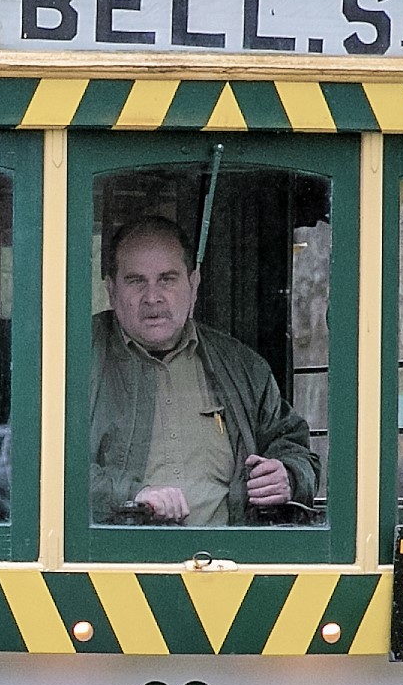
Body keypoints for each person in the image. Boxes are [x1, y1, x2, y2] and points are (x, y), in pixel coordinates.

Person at [91, 215, 319, 526]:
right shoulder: (71, 361)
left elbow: (293, 444)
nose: (153, 297)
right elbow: (36, 468)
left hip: (228, 566)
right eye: (136, 281)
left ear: (193, 284)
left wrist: (288, 475)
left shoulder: (241, 366)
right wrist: (130, 496)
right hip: (112, 567)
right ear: (111, 290)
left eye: (167, 279)